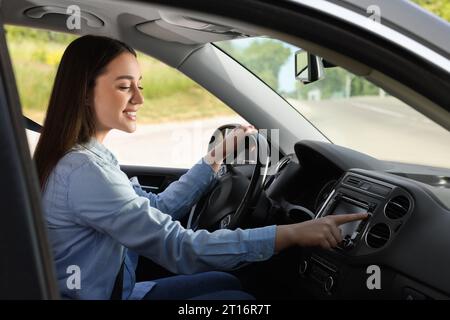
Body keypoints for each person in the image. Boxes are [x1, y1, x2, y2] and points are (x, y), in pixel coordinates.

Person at [34, 35, 368, 300]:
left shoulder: (91, 158)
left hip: (121, 290)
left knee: (228, 282)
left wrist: (214, 159)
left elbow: (159, 208)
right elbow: (179, 248)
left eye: (140, 85)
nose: (139, 98)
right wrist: (293, 232)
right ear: (85, 93)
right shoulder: (83, 171)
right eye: (124, 87)